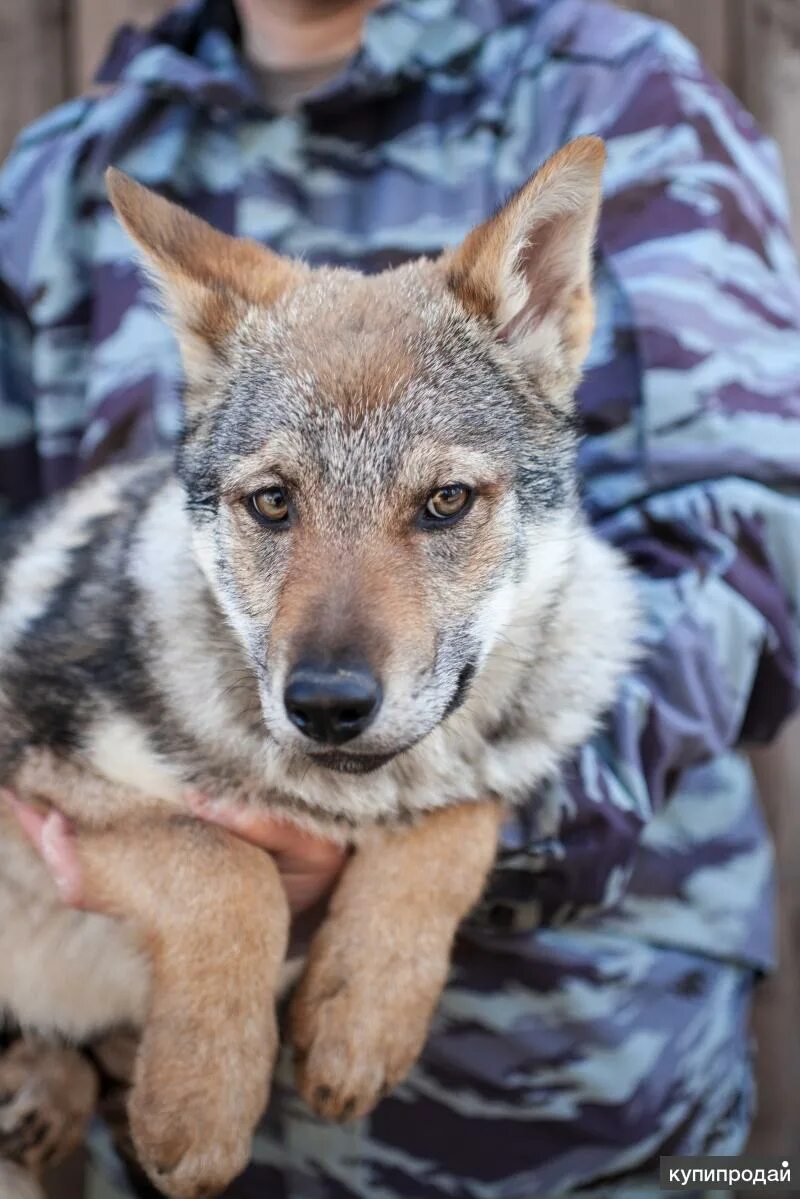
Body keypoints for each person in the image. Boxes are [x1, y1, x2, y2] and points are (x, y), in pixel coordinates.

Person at [1, 0, 799, 1195]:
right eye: (271, 506)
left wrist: (450, 836)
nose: (332, 645)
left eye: (440, 508)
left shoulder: (613, 92)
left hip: (584, 1100)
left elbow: (755, 554)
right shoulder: (67, 169)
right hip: (167, 1130)